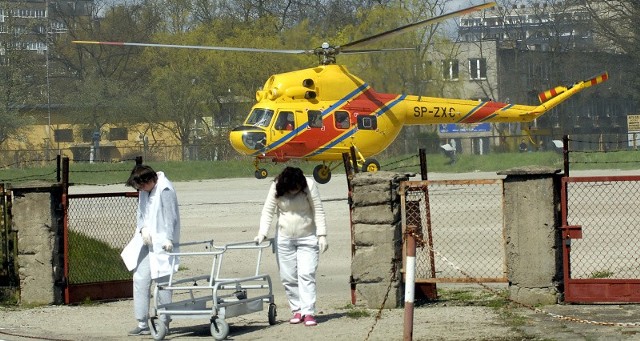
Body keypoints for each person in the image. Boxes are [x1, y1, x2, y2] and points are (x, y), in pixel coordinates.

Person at [254, 166, 328, 327]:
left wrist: (322, 235)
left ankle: (309, 312)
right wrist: (262, 233)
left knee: (306, 273)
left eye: (297, 188)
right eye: (291, 188)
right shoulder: (276, 186)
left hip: (308, 237)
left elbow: (318, 211)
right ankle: (297, 309)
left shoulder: (309, 185)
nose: (294, 191)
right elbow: (267, 211)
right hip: (284, 238)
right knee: (288, 276)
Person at [122, 164, 181, 336]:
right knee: (140, 278)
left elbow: (171, 216)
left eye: (141, 185)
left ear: (150, 180)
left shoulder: (165, 189)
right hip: (146, 241)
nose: (140, 189)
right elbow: (141, 214)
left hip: (163, 243)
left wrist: (169, 238)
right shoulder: (144, 191)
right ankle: (142, 323)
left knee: (162, 282)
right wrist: (142, 229)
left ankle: (164, 322)